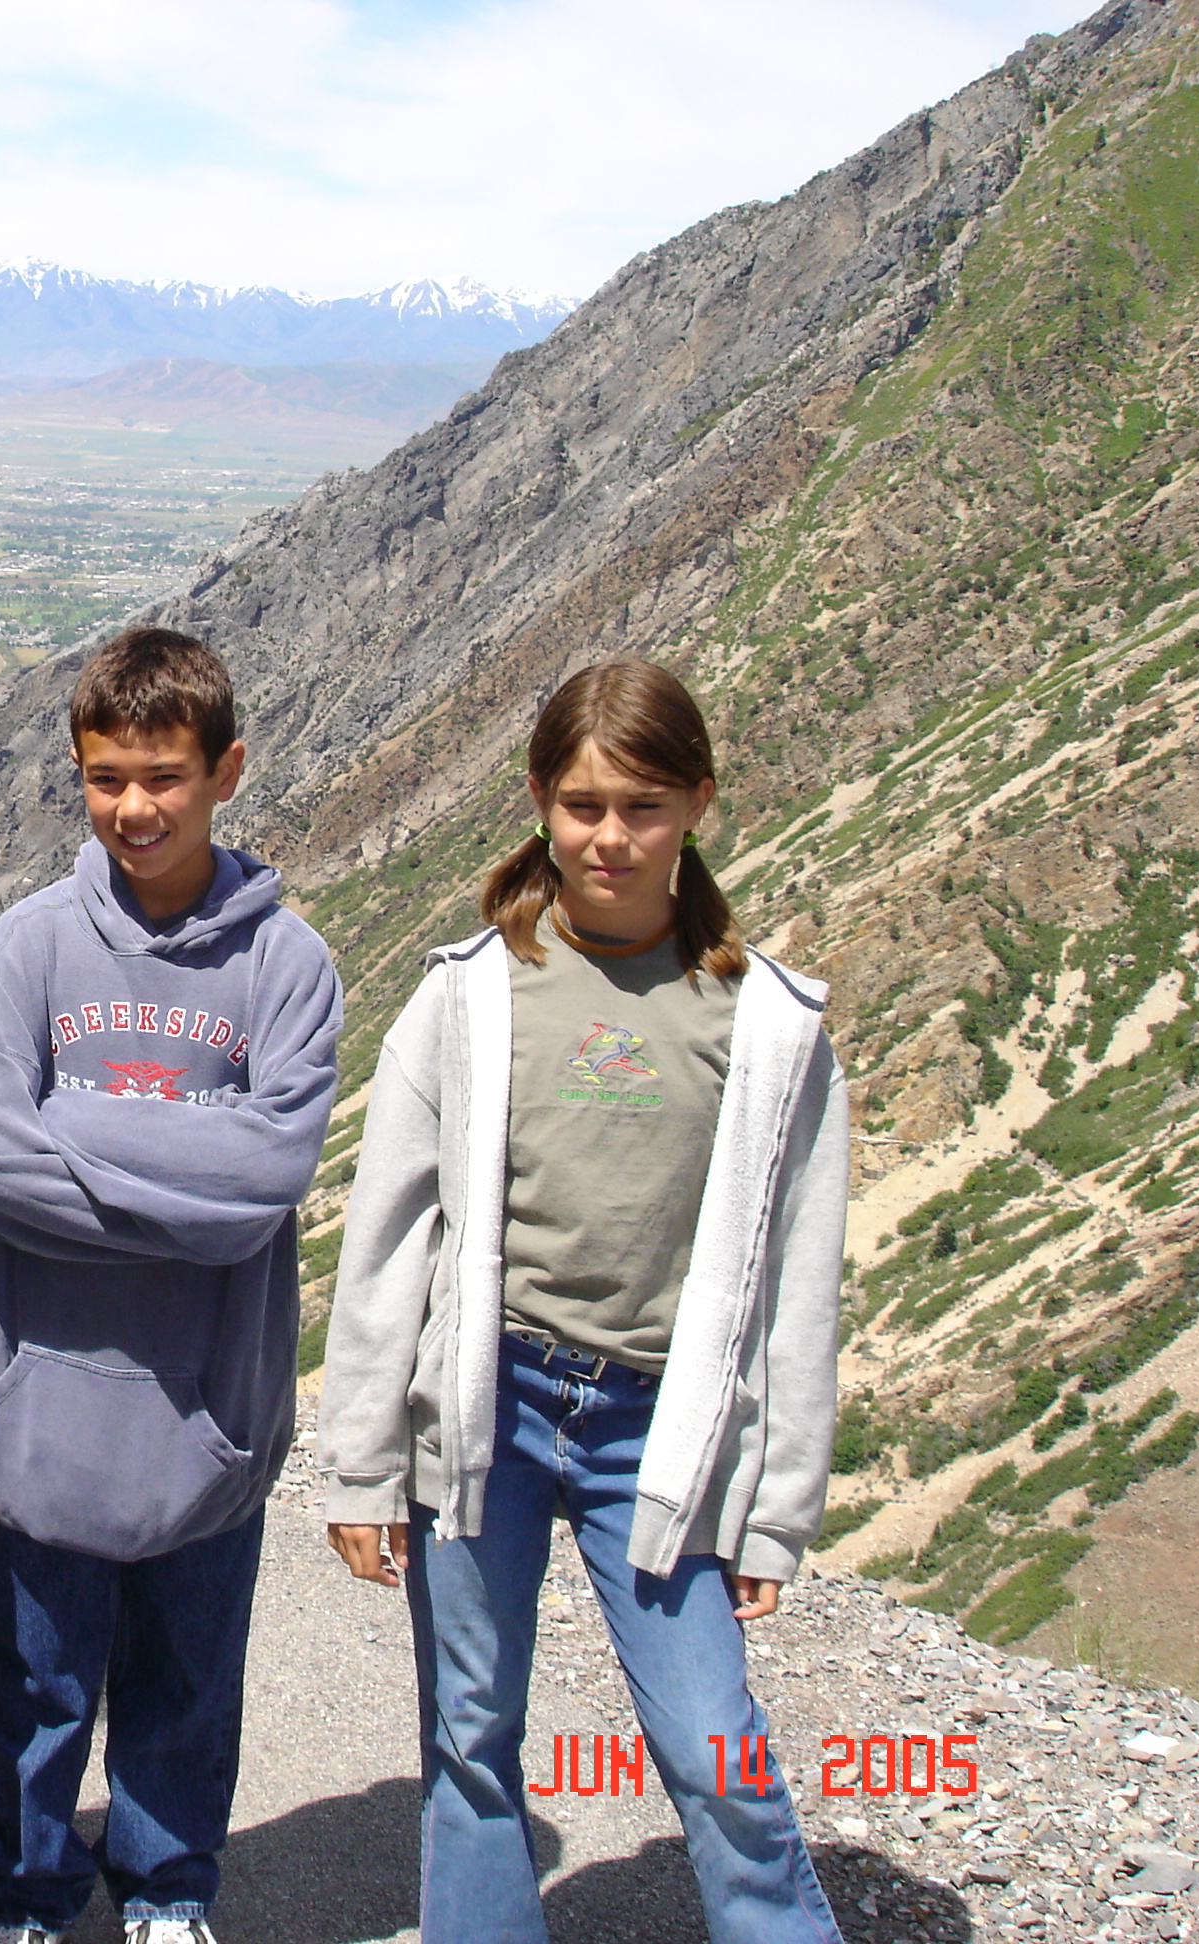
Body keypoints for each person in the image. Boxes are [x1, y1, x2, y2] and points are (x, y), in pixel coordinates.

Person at [317, 657, 848, 1944]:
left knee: (715, 1747)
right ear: (541, 803)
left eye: (644, 806)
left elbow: (796, 1278)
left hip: (653, 1433)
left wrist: (773, 1509)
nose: (610, 836)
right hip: (489, 1404)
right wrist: (360, 1464)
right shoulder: (469, 992)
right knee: (471, 1734)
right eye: (584, 804)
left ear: (699, 804)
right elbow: (389, 1237)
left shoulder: (767, 1024)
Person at [0, 626, 343, 1944]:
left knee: (185, 1689)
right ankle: (30, 1896)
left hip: (206, 1422)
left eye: (165, 775)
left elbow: (265, 1182)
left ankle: (169, 1894)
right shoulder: (27, 949)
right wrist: (188, 1183)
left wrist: (75, 1129)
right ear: (77, 769)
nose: (135, 807)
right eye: (108, 775)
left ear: (226, 770)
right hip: (42, 1422)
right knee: (36, 1688)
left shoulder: (288, 968)